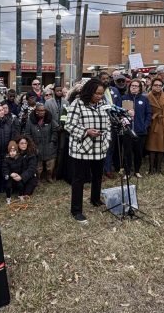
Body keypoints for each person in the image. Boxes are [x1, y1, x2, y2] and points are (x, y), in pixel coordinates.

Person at [65, 78, 111, 223]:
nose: (99, 96)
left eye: (101, 94)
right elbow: (69, 125)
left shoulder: (103, 104)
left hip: (99, 148)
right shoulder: (77, 104)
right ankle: (76, 210)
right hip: (81, 149)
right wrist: (86, 131)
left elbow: (108, 124)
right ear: (89, 91)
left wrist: (107, 138)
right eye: (97, 93)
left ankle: (95, 199)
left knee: (97, 176)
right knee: (79, 180)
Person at [120, 79, 152, 177]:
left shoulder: (144, 99)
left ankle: (137, 170)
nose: (134, 87)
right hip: (127, 131)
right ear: (129, 87)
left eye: (136, 86)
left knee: (138, 152)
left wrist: (144, 125)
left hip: (140, 131)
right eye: (132, 85)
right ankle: (128, 171)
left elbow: (148, 113)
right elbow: (119, 113)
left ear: (140, 88)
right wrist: (125, 115)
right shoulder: (124, 98)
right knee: (127, 152)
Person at [24, 103, 58, 183]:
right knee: (38, 166)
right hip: (36, 146)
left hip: (49, 145)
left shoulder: (50, 119)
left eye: (43, 110)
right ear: (36, 111)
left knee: (50, 165)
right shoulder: (30, 121)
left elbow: (55, 131)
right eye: (40, 111)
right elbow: (27, 134)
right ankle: (38, 179)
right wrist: (32, 145)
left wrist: (53, 141)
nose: (42, 112)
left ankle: (49, 177)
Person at [2, 137, 38, 204]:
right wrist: (11, 174)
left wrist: (21, 177)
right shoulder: (14, 153)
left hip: (28, 176)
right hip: (16, 176)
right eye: (21, 143)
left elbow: (31, 169)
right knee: (12, 186)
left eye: (25, 143)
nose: (24, 145)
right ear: (18, 144)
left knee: (26, 193)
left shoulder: (31, 154)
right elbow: (6, 167)